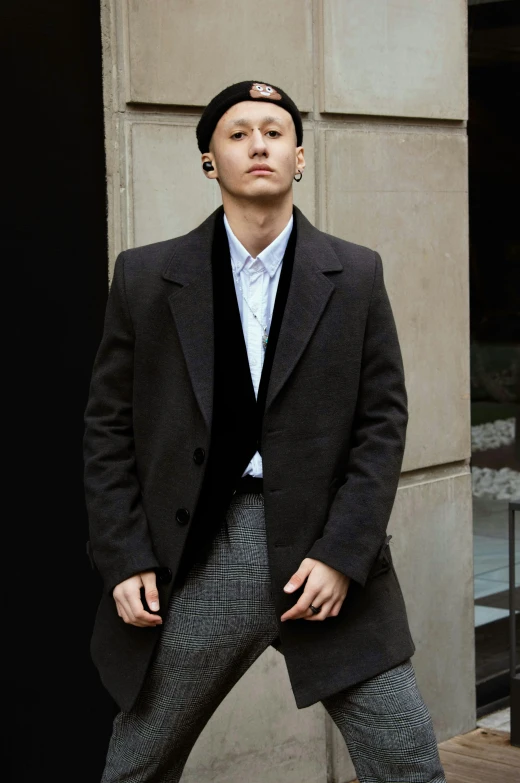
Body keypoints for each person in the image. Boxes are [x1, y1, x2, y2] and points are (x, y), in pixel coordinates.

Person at [84, 79, 447, 783]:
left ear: (300, 158)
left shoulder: (356, 275)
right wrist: (124, 555)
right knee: (136, 766)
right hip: (199, 552)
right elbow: (107, 430)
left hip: (325, 555)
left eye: (275, 132)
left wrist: (345, 552)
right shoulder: (146, 277)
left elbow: (382, 424)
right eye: (239, 132)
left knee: (408, 763)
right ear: (209, 161)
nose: (259, 144)